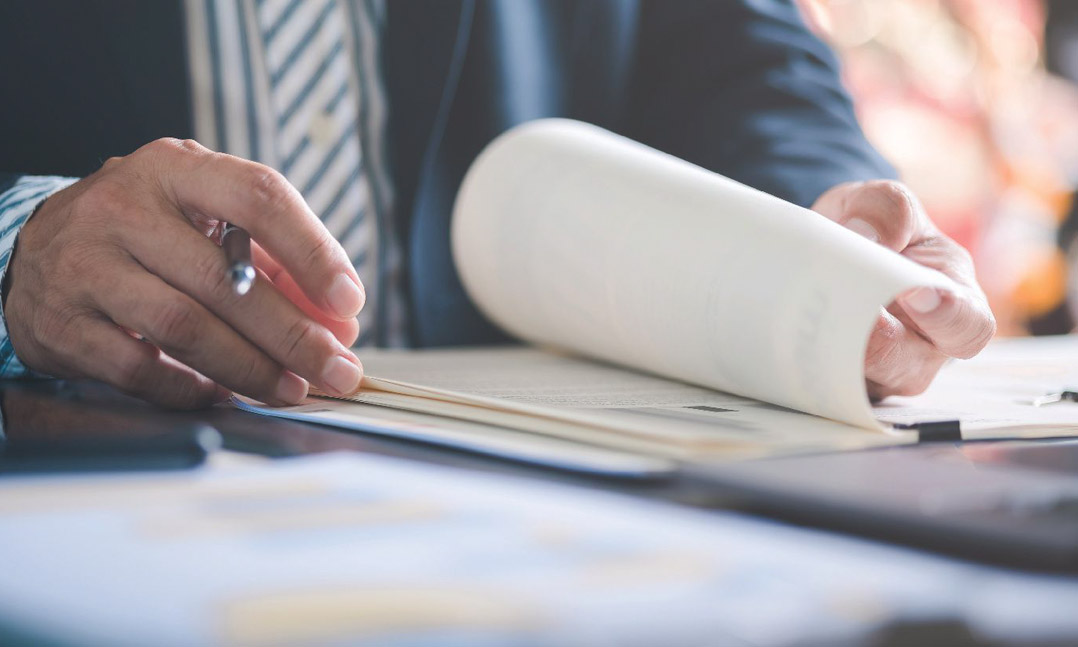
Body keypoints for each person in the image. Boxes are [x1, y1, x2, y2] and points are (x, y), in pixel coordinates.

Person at [0, 0, 995, 409]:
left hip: (552, 483)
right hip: (81, 464)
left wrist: (837, 242)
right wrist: (19, 249)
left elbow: (745, 65)